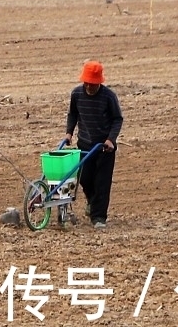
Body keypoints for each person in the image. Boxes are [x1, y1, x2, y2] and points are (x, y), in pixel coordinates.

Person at [63, 60, 123, 229]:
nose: (89, 87)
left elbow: (117, 119)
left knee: (102, 182)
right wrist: (69, 133)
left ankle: (98, 217)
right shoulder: (76, 94)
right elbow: (73, 114)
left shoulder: (108, 96)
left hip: (105, 147)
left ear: (99, 82)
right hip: (84, 144)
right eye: (87, 83)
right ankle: (91, 201)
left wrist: (111, 139)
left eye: (93, 84)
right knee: (85, 178)